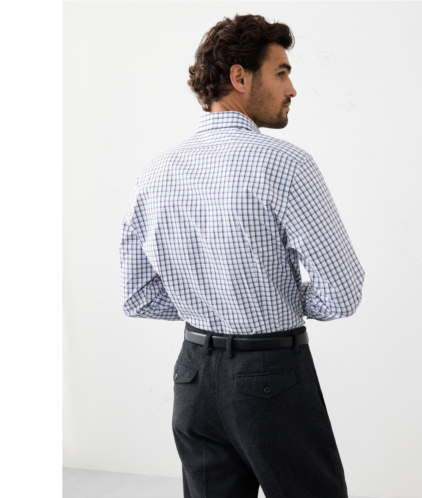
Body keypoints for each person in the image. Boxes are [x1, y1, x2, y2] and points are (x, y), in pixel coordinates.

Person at [119, 13, 365, 498]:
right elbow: (343, 293)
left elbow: (138, 296)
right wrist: (277, 298)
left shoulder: (155, 173)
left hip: (192, 379)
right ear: (239, 77)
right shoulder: (286, 165)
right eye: (281, 72)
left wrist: (207, 299)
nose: (292, 88)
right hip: (271, 376)